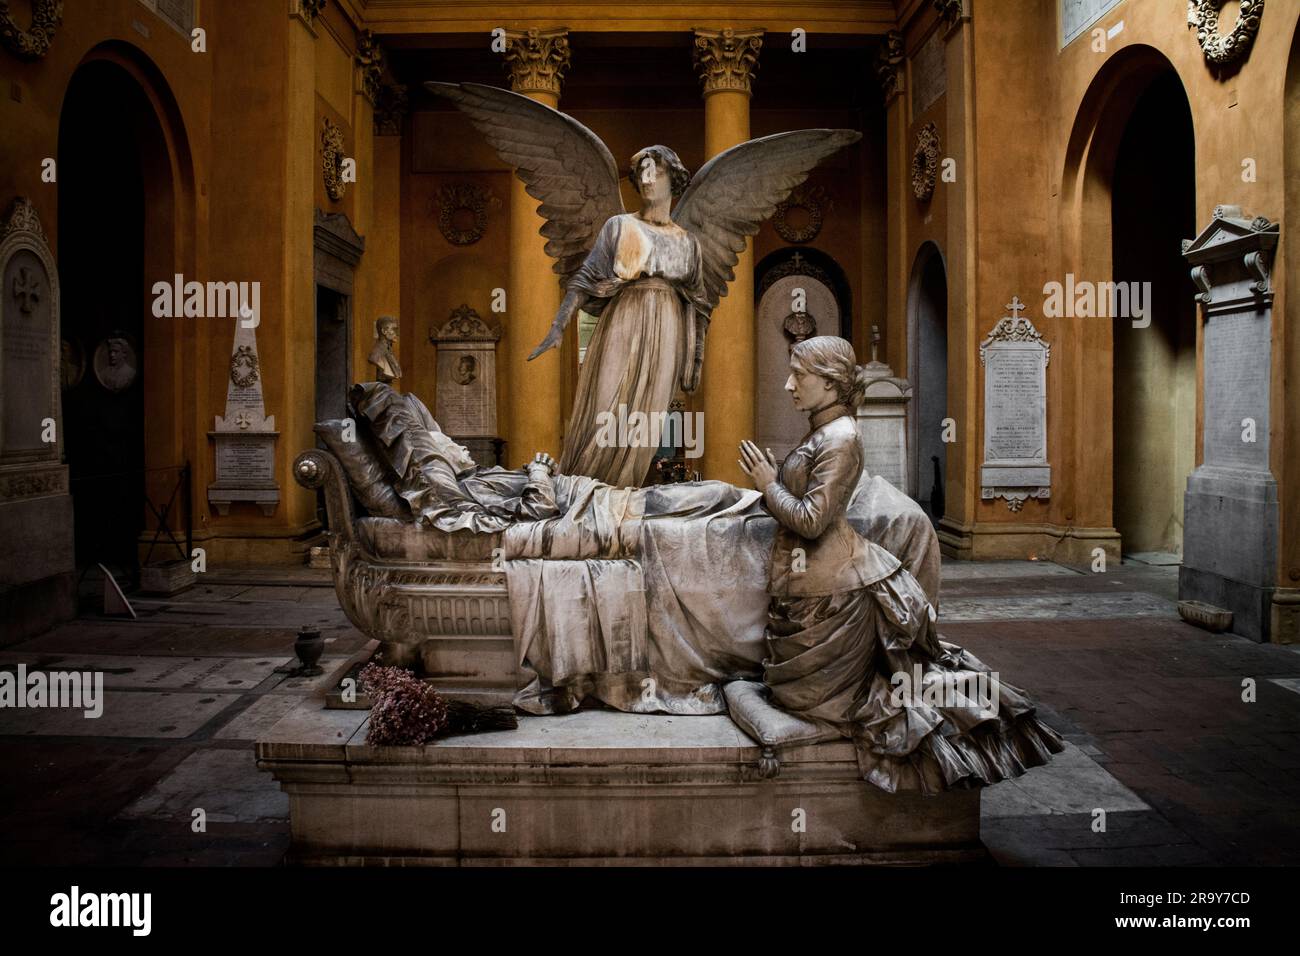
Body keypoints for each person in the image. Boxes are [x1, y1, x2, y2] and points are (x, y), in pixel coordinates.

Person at [738, 335, 1063, 793]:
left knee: (840, 703)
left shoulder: (842, 438)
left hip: (835, 593)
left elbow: (812, 522)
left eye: (800, 375)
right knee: (793, 695)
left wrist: (769, 484)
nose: (789, 384)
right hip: (808, 589)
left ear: (830, 383)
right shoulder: (822, 430)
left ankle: (963, 720)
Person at [543, 146, 710, 488]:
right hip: (623, 319)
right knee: (604, 409)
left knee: (645, 423)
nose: (648, 179)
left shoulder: (688, 243)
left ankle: (621, 496)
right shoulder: (618, 226)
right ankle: (584, 489)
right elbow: (586, 276)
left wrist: (692, 358)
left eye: (657, 171)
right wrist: (559, 324)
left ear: (673, 180)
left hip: (666, 331)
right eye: (641, 172)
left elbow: (699, 301)